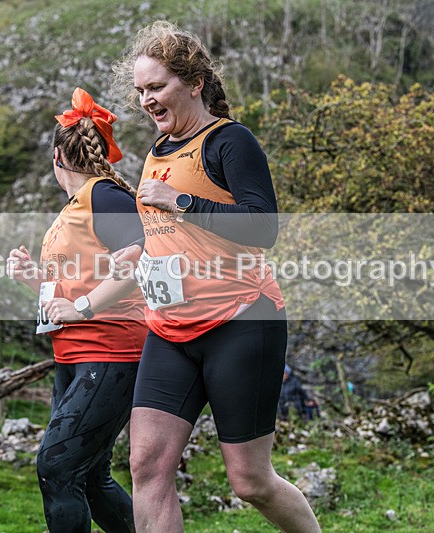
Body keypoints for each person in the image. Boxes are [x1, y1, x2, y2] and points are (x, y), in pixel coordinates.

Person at [112, 21, 321, 532]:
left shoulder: (230, 141)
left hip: (241, 322)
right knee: (147, 467)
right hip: (170, 330)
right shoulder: (156, 154)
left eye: (156, 87)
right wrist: (138, 255)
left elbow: (263, 227)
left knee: (250, 481)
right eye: (140, 91)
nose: (146, 100)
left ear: (195, 82)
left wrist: (183, 201)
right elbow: (171, 238)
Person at [7, 87, 146, 533]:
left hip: (110, 352)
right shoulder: (78, 206)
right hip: (74, 355)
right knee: (87, 474)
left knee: (57, 466)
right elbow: (67, 293)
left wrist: (83, 306)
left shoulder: (105, 197)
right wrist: (31, 277)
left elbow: (141, 262)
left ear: (56, 156)